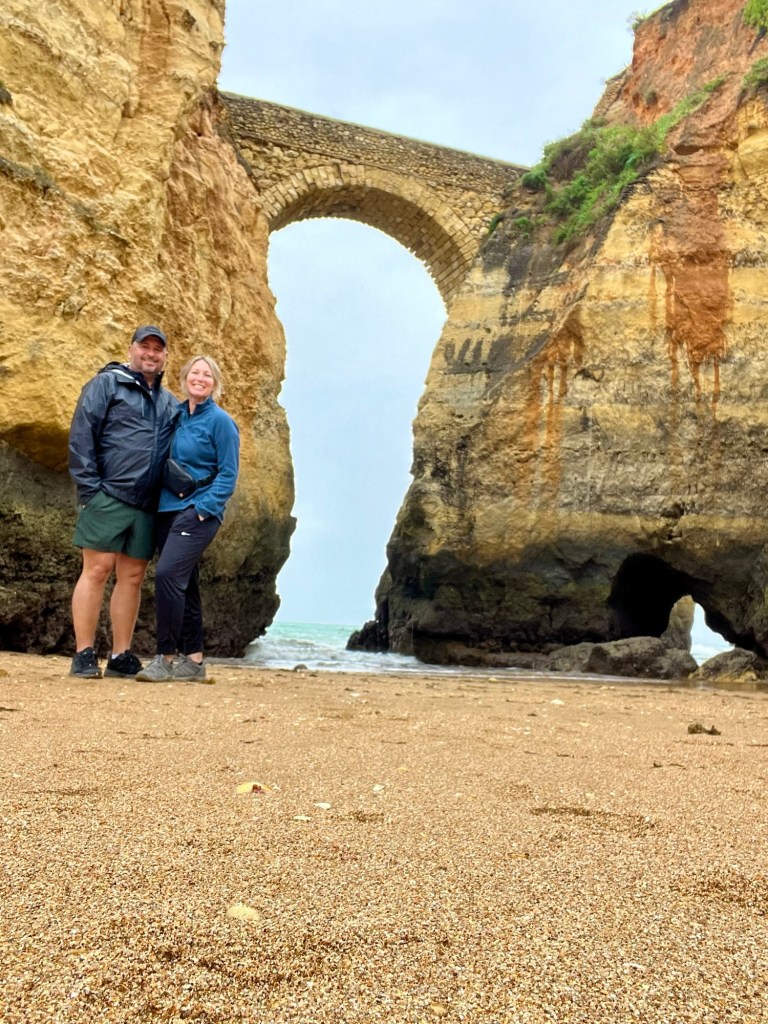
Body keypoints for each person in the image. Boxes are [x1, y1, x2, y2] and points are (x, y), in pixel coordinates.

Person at [68, 325, 177, 678]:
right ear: (131, 350)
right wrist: (90, 490)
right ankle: (84, 654)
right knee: (96, 570)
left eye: (157, 349)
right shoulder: (106, 384)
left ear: (164, 357)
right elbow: (82, 435)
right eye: (144, 347)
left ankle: (120, 655)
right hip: (108, 495)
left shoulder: (168, 402)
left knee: (132, 577)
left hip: (146, 504)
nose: (150, 353)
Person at [136, 355, 240, 683]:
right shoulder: (177, 415)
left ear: (215, 383)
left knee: (167, 575)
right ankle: (194, 661)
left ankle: (165, 658)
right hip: (167, 509)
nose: (200, 378)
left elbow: (228, 474)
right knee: (187, 585)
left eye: (207, 374)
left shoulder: (221, 422)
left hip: (197, 512)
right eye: (195, 372)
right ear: (184, 379)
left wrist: (203, 508)